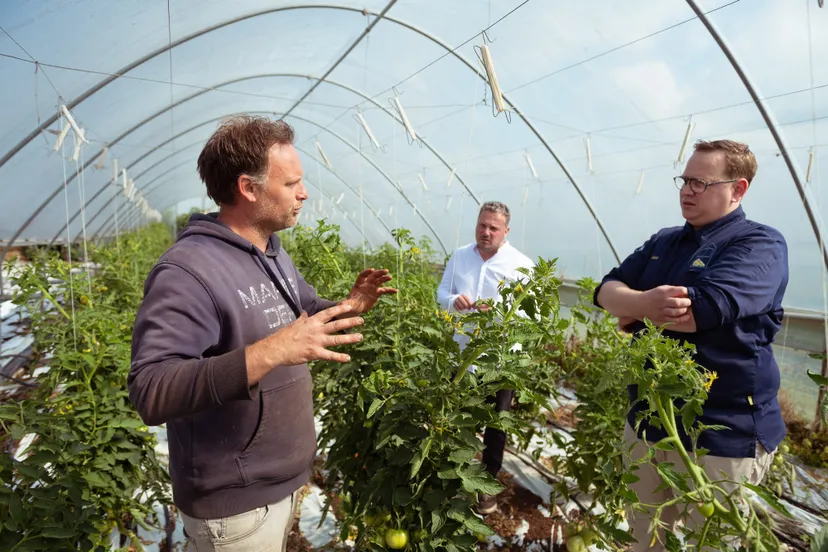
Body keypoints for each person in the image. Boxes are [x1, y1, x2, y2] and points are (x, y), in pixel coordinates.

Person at [128, 115, 397, 551]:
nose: (304, 193)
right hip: (234, 508)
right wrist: (272, 351)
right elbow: (151, 389)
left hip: (281, 484)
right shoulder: (187, 271)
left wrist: (348, 307)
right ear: (248, 188)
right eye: (291, 184)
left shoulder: (270, 250)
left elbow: (302, 310)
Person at [593, 139, 786, 551]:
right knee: (641, 538)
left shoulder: (760, 245)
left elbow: (702, 311)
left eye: (700, 182)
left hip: (722, 434)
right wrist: (645, 302)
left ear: (738, 189)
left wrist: (633, 308)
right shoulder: (665, 241)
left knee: (713, 541)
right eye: (684, 180)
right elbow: (605, 292)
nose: (687, 190)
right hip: (648, 421)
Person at [436, 201, 534, 515]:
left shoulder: (522, 265)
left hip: (500, 360)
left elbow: (528, 315)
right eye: (482, 225)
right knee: (455, 417)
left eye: (493, 227)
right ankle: (451, 476)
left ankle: (485, 486)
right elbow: (441, 294)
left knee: (496, 425)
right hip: (463, 354)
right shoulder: (460, 256)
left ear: (506, 231)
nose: (486, 232)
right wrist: (454, 301)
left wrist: (502, 314)